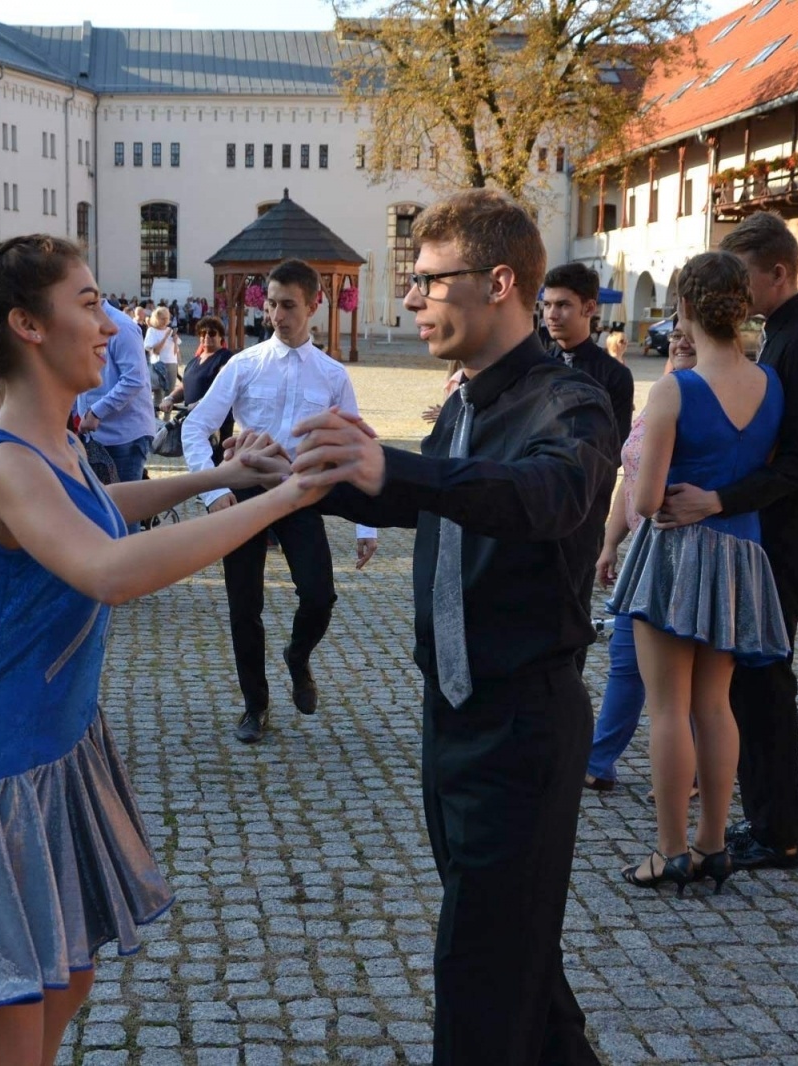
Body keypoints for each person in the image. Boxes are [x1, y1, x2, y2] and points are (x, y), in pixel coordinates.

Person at [0, 234, 316, 1066]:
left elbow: (102, 505)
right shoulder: (3, 461)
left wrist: (224, 480)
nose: (111, 326)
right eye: (91, 303)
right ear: (28, 325)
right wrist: (281, 503)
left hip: (50, 752)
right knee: (6, 1020)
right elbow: (108, 568)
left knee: (66, 980)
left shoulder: (53, 444)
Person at [286, 190, 615, 1066]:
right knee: (517, 964)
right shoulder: (467, 401)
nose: (411, 301)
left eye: (430, 282)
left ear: (498, 282)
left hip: (522, 728)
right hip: (454, 720)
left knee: (480, 975)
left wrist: (400, 466)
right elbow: (433, 499)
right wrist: (304, 475)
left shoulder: (570, 405)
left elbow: (545, 500)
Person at [659, 210, 798, 872]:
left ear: (777, 273)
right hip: (758, 524)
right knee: (745, 681)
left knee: (766, 679)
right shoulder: (777, 339)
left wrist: (718, 499)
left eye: (742, 279)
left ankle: (778, 832)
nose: (733, 295)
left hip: (786, 526)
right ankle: (764, 819)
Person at [606, 251, 789, 894]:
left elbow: (649, 500)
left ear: (684, 306)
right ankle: (714, 844)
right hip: (740, 553)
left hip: (678, 556)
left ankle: (670, 850)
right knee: (715, 706)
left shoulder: (674, 388)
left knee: (667, 710)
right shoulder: (771, 384)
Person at [178, 259, 379, 743]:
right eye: (270, 303)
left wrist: (366, 526)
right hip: (244, 492)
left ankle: (298, 655)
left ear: (313, 305)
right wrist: (214, 490)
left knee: (320, 595)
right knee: (243, 606)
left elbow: (355, 451)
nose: (276, 314)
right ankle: (255, 705)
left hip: (300, 492)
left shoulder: (332, 375)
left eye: (288, 305)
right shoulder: (243, 365)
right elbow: (195, 426)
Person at [586, 331, 698, 792]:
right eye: (674, 337)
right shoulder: (659, 396)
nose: (678, 345)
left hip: (683, 548)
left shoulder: (704, 401)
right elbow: (628, 479)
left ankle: (687, 769)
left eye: (690, 340)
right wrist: (611, 543)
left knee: (682, 667)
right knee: (627, 657)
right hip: (643, 552)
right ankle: (598, 761)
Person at [542, 263, 634, 451]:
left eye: (562, 305)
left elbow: (616, 446)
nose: (551, 315)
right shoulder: (536, 368)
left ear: (589, 308)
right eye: (547, 305)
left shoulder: (615, 374)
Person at [76, 300, 157, 503]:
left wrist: (96, 412)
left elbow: (134, 379)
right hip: (94, 437)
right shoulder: (82, 324)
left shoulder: (122, 327)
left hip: (124, 437)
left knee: (123, 513)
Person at [160, 316, 234, 443]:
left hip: (215, 424)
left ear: (220, 336)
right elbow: (184, 387)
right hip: (193, 422)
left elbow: (224, 387)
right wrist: (169, 399)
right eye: (202, 333)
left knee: (215, 461)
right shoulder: (194, 361)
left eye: (211, 333)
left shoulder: (225, 358)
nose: (206, 336)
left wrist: (201, 403)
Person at [144, 306, 177, 410]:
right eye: (163, 318)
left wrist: (175, 341)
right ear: (157, 318)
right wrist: (166, 336)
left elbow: (176, 351)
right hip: (158, 363)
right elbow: (156, 350)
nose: (165, 321)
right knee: (158, 391)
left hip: (171, 362)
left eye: (167, 318)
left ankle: (167, 419)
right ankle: (156, 416)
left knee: (170, 392)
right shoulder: (152, 331)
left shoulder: (170, 330)